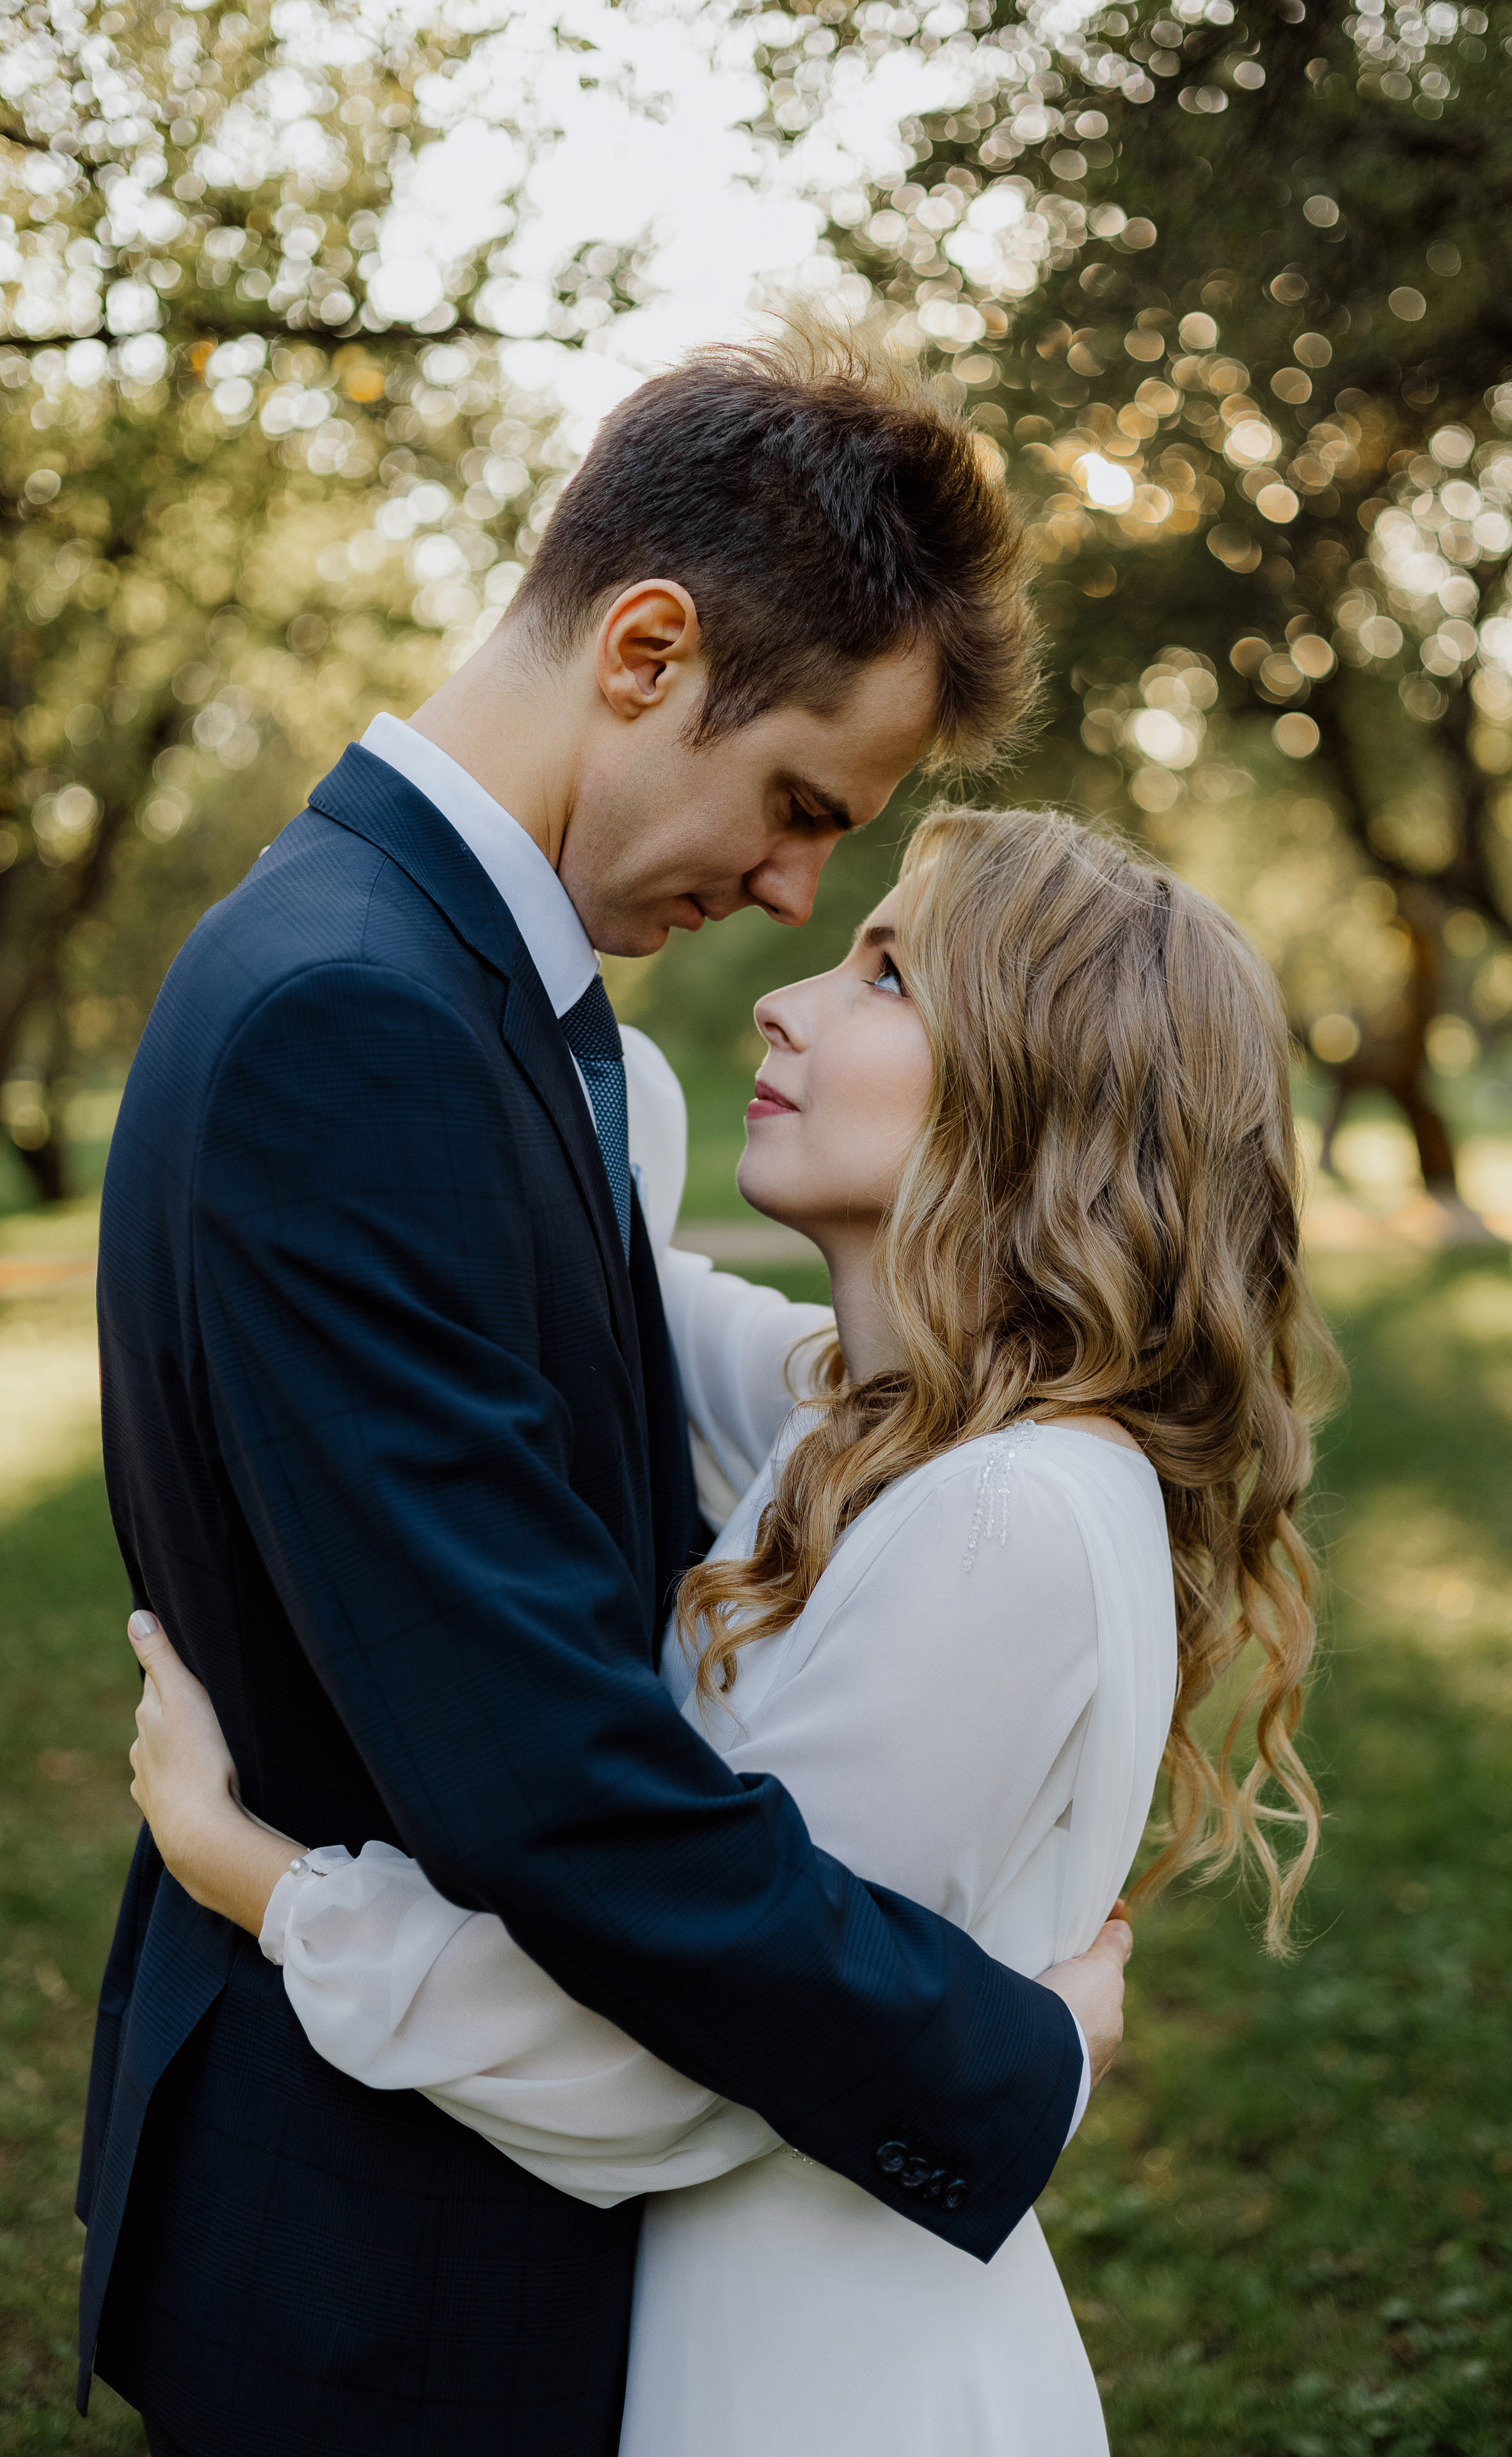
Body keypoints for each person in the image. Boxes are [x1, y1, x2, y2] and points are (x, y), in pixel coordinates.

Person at [78, 328, 1130, 2457]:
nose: (788, 894)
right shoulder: (354, 1025)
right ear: (649, 652)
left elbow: (693, 1378)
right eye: (800, 808)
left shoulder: (454, 987)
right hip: (384, 2264)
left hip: (471, 2204)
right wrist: (1006, 2056)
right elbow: (547, 1786)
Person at [123, 807, 1339, 2455]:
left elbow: (676, 2058)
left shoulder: (1010, 1522)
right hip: (722, 2331)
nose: (787, 996)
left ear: (1041, 1106)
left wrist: (254, 1877)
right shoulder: (883, 1426)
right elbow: (593, 1218)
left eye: (888, 976)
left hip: (822, 2384)